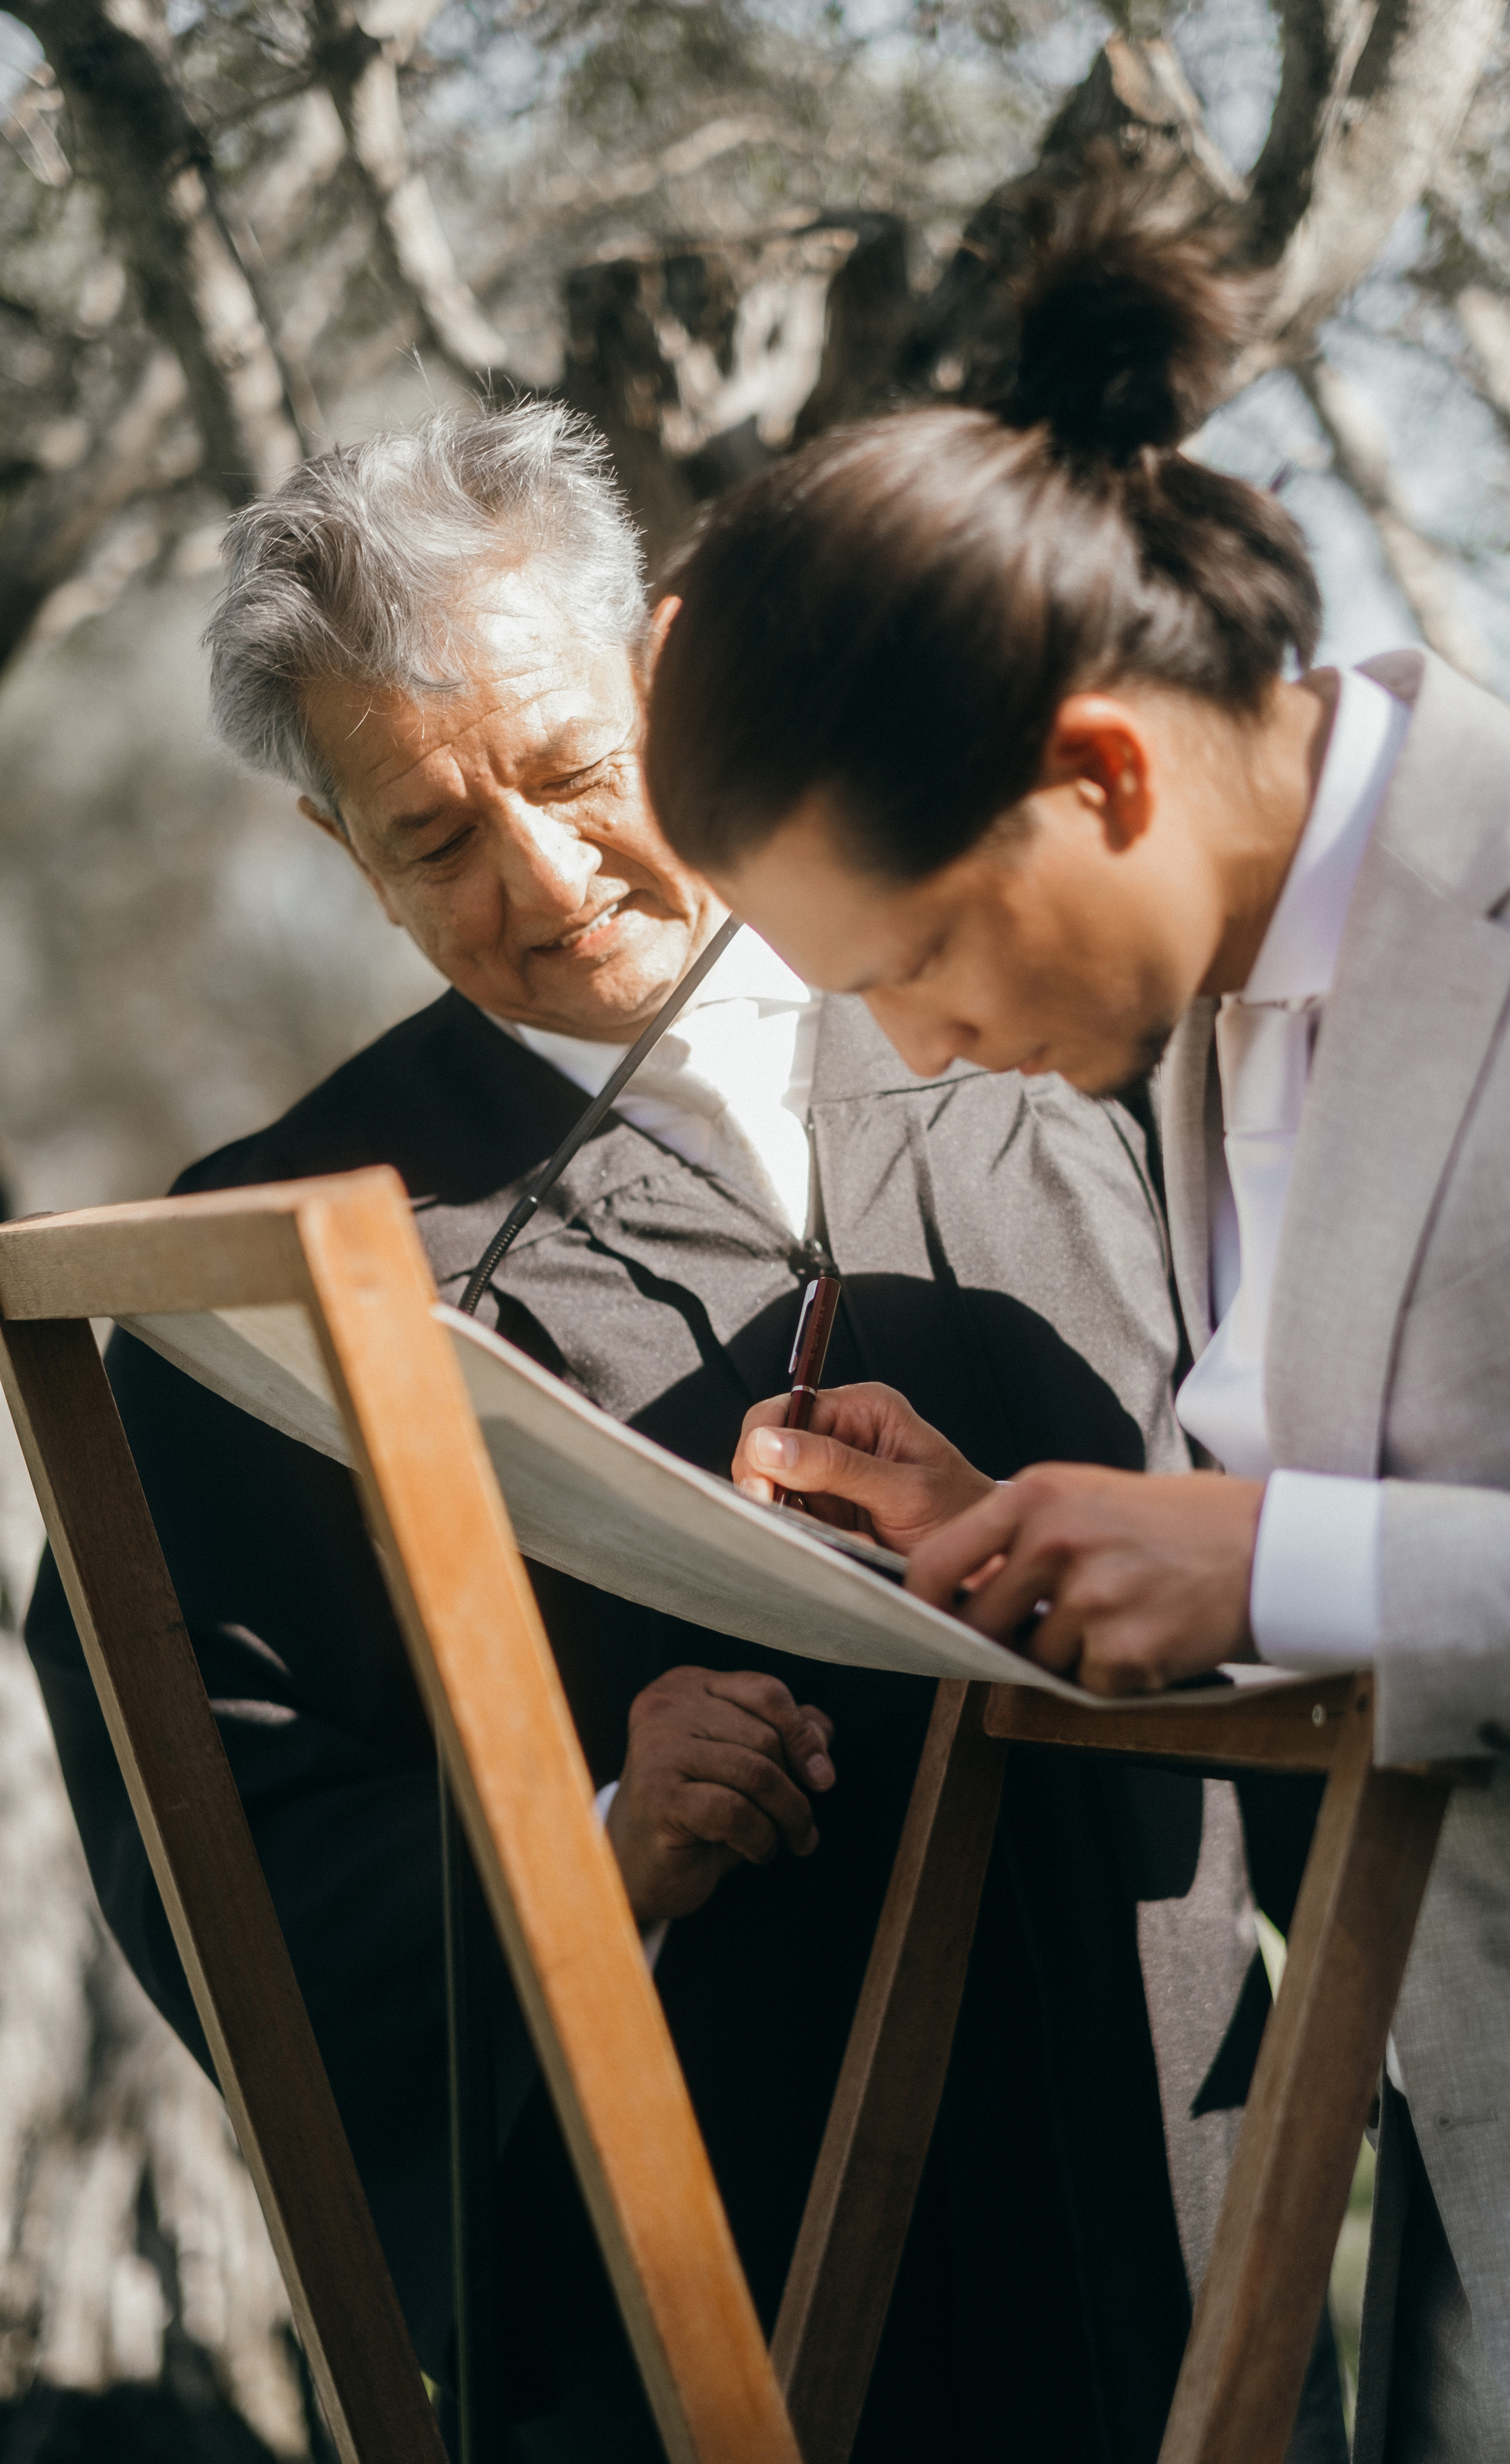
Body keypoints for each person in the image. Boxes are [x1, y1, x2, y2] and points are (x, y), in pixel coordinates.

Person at [24, 405, 1345, 2463]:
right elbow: (213, 1835)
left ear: (662, 674)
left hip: (1180, 2203)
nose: (544, 886)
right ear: (335, 852)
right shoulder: (258, 1288)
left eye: (568, 771)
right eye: (434, 837)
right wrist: (576, 1846)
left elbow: (1337, 1581)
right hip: (709, 2314)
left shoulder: (1073, 1050)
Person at [641, 182, 1510, 2464]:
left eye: (907, 958)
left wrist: (1270, 1560)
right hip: (1484, 2247)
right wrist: (1050, 1543)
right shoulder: (1205, 1019)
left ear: (1100, 774)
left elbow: (1373, 1560)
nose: (903, 1047)